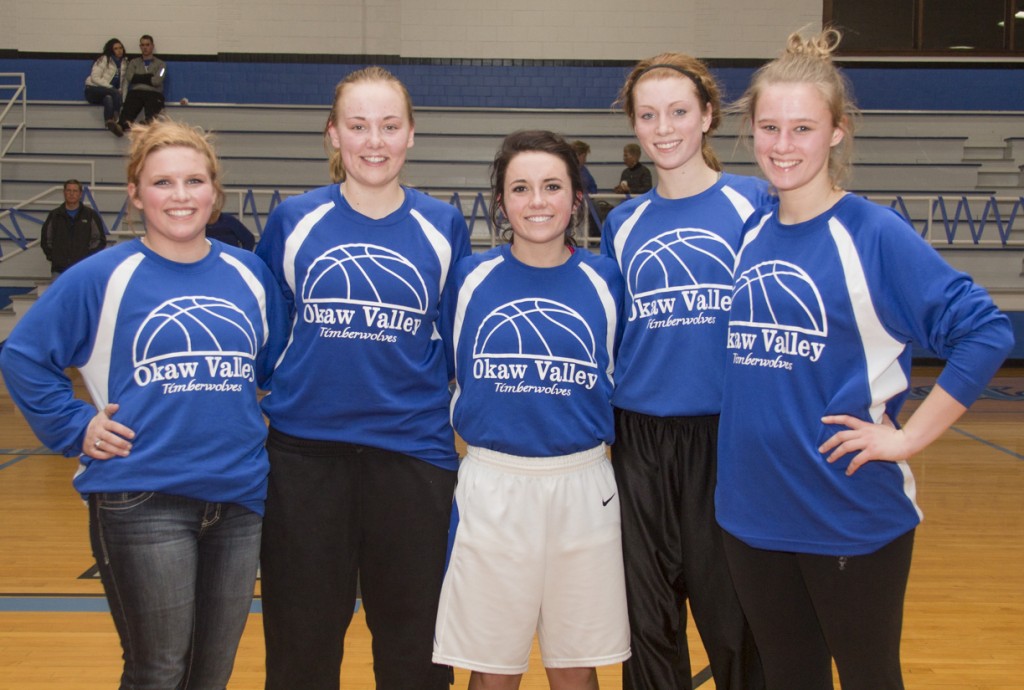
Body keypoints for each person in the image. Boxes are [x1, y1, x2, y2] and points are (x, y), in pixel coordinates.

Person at [717, 29, 1014, 690]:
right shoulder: (753, 227)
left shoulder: (873, 234)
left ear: (836, 133)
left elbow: (986, 331)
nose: (783, 145)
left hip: (846, 512)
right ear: (751, 132)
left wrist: (907, 437)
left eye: (802, 127)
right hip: (749, 513)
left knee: (868, 678)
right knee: (790, 678)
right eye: (770, 127)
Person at [0, 119, 289, 688]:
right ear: (135, 194)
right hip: (140, 497)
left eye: (193, 181)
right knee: (158, 670)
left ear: (215, 192)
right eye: (162, 183)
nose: (180, 197)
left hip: (238, 500)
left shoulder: (251, 276)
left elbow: (276, 370)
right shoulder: (102, 276)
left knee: (211, 673)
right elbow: (23, 355)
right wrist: (74, 424)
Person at [255, 65, 471, 690]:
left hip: (412, 458)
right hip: (304, 460)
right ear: (332, 136)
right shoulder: (293, 220)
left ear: (410, 135)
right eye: (358, 126)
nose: (373, 141)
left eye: (388, 126)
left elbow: (453, 338)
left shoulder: (443, 226)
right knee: (301, 647)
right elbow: (267, 329)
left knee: (415, 651)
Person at [433, 130, 631, 690]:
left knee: (574, 664)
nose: (537, 201)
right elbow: (444, 372)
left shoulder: (608, 281)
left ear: (575, 199)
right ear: (501, 202)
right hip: (494, 484)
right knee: (493, 669)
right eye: (520, 188)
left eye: (551, 186)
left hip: (583, 484)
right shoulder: (470, 280)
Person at [600, 52, 771, 690]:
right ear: (634, 126)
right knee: (646, 621)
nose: (663, 127)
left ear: (706, 116)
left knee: (732, 619)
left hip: (727, 436)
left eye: (677, 112)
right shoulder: (623, 222)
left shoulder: (755, 203)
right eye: (648, 115)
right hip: (638, 437)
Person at [40, 179, 106, 275]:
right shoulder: (54, 215)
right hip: (59, 270)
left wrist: (87, 258)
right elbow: (46, 240)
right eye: (69, 190)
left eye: (75, 191)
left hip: (83, 269)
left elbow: (99, 240)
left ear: (80, 194)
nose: (71, 194)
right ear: (64, 193)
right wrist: (55, 257)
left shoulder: (90, 215)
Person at [118, 35, 166, 131]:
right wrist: (149, 77)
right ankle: (120, 126)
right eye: (143, 45)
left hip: (154, 93)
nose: (145, 47)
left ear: (152, 46)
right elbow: (129, 77)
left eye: (147, 45)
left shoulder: (161, 64)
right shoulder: (133, 62)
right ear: (140, 46)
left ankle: (148, 123)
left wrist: (138, 78)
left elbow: (157, 81)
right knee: (130, 102)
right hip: (136, 92)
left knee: (154, 103)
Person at [83, 38, 126, 136]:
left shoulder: (124, 63)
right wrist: (110, 87)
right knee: (113, 92)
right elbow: (94, 77)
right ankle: (117, 117)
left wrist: (122, 98)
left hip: (108, 93)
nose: (119, 50)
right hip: (92, 89)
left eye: (120, 48)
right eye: (116, 48)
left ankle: (109, 122)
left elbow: (123, 84)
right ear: (111, 50)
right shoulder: (104, 59)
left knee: (109, 98)